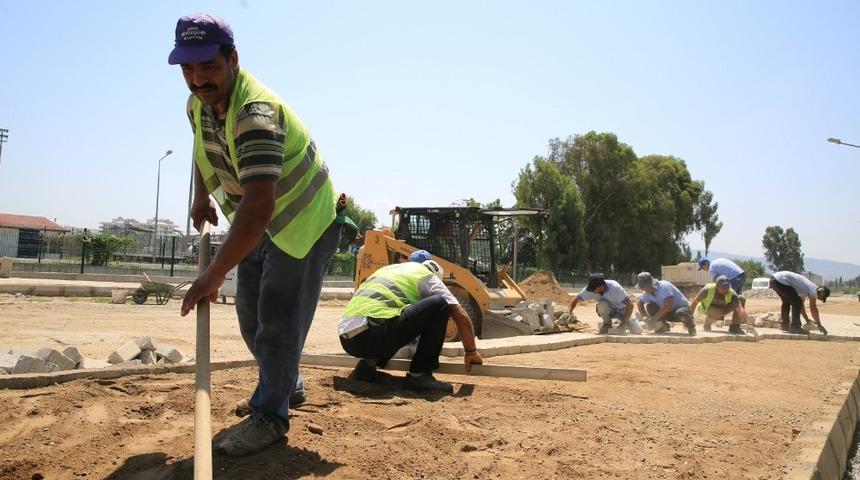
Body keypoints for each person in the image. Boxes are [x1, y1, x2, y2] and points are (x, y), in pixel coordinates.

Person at [170, 14, 343, 456]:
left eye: (207, 67)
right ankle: (288, 383)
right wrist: (200, 197)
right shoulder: (198, 104)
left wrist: (211, 275)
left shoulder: (254, 115)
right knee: (252, 319)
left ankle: (270, 415)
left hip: (303, 224)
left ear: (233, 60)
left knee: (278, 325)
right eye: (188, 69)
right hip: (260, 222)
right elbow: (202, 146)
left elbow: (259, 204)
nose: (197, 80)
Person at [338, 260, 484, 393]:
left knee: (390, 315)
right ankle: (419, 376)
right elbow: (462, 317)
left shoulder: (389, 270)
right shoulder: (427, 277)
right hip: (376, 333)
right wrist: (471, 352)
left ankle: (365, 368)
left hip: (348, 340)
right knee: (440, 304)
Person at [568, 273, 634, 334]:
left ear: (601, 286)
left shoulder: (614, 287)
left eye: (594, 288)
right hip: (610, 311)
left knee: (637, 330)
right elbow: (575, 299)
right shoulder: (590, 288)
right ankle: (607, 324)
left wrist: (622, 325)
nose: (592, 290)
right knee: (602, 305)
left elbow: (630, 305)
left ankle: (622, 323)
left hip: (623, 311)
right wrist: (568, 313)